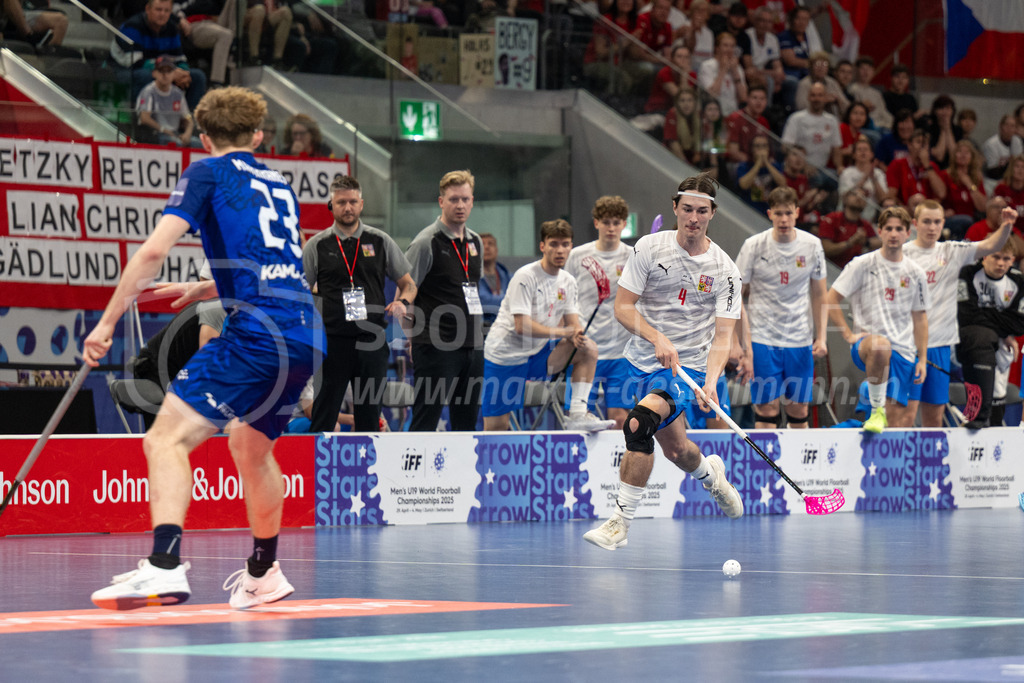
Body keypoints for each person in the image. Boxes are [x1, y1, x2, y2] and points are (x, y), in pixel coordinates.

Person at [83, 86, 322, 611]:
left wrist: (106, 324)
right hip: (306, 334)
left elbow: (151, 252)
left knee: (165, 438)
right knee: (251, 450)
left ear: (204, 136)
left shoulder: (206, 172)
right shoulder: (281, 185)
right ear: (258, 135)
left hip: (258, 335)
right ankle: (264, 572)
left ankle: (163, 567)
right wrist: (208, 287)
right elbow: (276, 262)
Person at [582, 173, 744, 551]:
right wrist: (656, 337)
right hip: (640, 360)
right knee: (677, 450)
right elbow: (623, 306)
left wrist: (712, 381)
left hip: (687, 368)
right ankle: (712, 476)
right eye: (686, 209)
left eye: (701, 211)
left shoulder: (725, 270)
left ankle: (619, 523)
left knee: (638, 425)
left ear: (712, 214)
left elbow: (723, 337)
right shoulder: (649, 249)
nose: (693, 217)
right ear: (675, 208)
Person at [303, 175, 417, 433]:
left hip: (372, 341)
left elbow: (409, 284)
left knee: (369, 417)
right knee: (324, 414)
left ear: (362, 204)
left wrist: (402, 302)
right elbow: (300, 290)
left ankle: (368, 472)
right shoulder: (317, 246)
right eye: (341, 202)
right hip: (332, 341)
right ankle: (317, 472)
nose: (348, 207)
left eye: (353, 201)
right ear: (331, 205)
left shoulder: (380, 241)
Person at [481, 220, 614, 432]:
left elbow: (573, 323)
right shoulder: (525, 277)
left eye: (565, 244)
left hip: (537, 356)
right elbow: (521, 326)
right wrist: (563, 332)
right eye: (553, 244)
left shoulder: (568, 281)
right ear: (542, 246)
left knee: (587, 348)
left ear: (571, 246)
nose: (560, 250)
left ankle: (577, 414)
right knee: (496, 428)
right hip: (506, 356)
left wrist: (577, 334)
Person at [902, 199, 1013, 427]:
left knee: (934, 416)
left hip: (940, 345)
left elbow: (990, 246)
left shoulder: (952, 250)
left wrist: (1007, 226)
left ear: (943, 223)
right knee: (905, 415)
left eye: (936, 222)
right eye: (926, 222)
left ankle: (929, 463)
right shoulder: (900, 254)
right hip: (906, 346)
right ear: (915, 223)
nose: (932, 227)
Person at [826, 206, 930, 432]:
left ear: (907, 232)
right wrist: (848, 334)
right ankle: (875, 408)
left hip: (904, 351)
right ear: (880, 231)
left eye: (899, 229)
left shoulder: (916, 273)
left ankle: (852, 428)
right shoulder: (862, 264)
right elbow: (830, 299)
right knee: (882, 346)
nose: (894, 233)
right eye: (889, 228)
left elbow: (920, 318)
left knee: (897, 426)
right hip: (868, 345)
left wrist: (922, 358)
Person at [735, 186, 827, 429]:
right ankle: (765, 467)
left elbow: (819, 292)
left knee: (799, 408)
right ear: (769, 214)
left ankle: (797, 468)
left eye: (788, 213)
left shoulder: (812, 245)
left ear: (797, 213)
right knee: (767, 408)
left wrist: (823, 336)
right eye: (778, 214)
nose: (783, 219)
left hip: (799, 338)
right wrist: (741, 344)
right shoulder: (753, 245)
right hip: (763, 337)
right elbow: (735, 295)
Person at [405, 170, 485, 432]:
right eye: (453, 200)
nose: (460, 205)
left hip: (472, 345)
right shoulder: (425, 242)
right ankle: (412, 474)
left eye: (465, 199)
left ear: (472, 201)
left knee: (467, 422)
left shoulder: (475, 242)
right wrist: (413, 339)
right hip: (435, 344)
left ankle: (462, 474)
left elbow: (471, 288)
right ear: (441, 202)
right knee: (426, 419)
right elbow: (405, 291)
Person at [564, 195, 635, 429]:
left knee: (620, 417)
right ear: (596, 223)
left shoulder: (633, 257)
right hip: (585, 348)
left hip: (621, 352)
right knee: (575, 417)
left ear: (624, 224)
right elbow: (564, 295)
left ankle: (616, 465)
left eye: (617, 222)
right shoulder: (577, 256)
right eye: (606, 222)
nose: (611, 228)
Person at [957, 237, 1024, 429]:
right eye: (996, 257)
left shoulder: (1018, 281)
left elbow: (1019, 324)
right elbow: (966, 314)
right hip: (967, 339)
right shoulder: (969, 273)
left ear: (1013, 260)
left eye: (1006, 259)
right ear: (984, 257)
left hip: (1003, 342)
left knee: (999, 390)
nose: (1001, 263)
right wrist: (1003, 323)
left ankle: (993, 430)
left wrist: (991, 322)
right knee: (981, 336)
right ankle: (976, 417)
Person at [111, 0, 208, 111]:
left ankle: (189, 121)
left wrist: (183, 73)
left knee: (197, 76)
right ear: (148, 9)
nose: (162, 14)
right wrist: (171, 73)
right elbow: (136, 62)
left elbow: (179, 59)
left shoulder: (171, 27)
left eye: (166, 11)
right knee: (145, 76)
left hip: (162, 69)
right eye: (158, 9)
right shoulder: (132, 26)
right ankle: (140, 120)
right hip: (124, 70)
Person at [781, 82, 844, 178]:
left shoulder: (832, 120)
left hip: (823, 170)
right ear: (808, 97)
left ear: (825, 98)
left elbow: (836, 149)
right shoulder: (796, 118)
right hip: (799, 169)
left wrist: (839, 167)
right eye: (813, 95)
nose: (816, 99)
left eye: (820, 95)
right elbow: (786, 146)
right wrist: (802, 164)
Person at [135, 55, 197, 147]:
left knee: (198, 144)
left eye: (169, 71)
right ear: (154, 73)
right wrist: (164, 130)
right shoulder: (148, 92)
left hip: (175, 134)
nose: (165, 75)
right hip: (155, 135)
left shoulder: (178, 94)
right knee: (176, 144)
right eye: (161, 71)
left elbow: (187, 118)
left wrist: (187, 134)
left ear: (174, 73)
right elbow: (144, 118)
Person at [174, 0, 235, 87]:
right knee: (226, 35)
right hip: (195, 23)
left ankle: (234, 45)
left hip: (215, 21)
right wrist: (180, 19)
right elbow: (172, 8)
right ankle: (216, 82)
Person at [818, 188, 880, 267]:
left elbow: (879, 244)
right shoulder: (832, 218)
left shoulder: (865, 225)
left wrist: (866, 242)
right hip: (829, 266)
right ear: (845, 199)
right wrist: (849, 243)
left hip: (852, 271)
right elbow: (826, 249)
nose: (859, 198)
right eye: (854, 194)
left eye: (863, 197)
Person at [885, 128, 947, 206]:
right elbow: (891, 195)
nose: (922, 146)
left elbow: (941, 194)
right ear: (909, 145)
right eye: (918, 142)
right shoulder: (897, 164)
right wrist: (905, 210)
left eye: (925, 143)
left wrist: (927, 166)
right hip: (905, 210)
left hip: (927, 212)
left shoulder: (932, 167)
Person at [942, 139, 987, 241]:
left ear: (972, 157)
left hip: (970, 222)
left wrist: (970, 185)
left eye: (967, 152)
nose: (963, 155)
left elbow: (983, 207)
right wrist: (943, 212)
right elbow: (936, 198)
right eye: (959, 152)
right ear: (954, 155)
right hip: (949, 221)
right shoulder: (945, 175)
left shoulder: (976, 178)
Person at [697, 30, 747, 117]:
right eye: (725, 45)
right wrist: (723, 70)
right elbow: (711, 95)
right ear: (717, 48)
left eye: (732, 46)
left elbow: (743, 98)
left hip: (733, 114)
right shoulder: (707, 66)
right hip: (712, 114)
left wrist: (735, 71)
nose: (729, 49)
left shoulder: (737, 68)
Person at [838, 137, 888, 224]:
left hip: (869, 220)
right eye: (859, 150)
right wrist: (865, 177)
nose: (863, 152)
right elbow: (845, 197)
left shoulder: (878, 174)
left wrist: (873, 178)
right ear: (853, 155)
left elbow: (883, 200)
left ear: (872, 154)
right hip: (845, 219)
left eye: (865, 149)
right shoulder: (847, 173)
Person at [735, 133, 785, 213]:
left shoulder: (775, 166)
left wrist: (766, 162)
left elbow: (783, 183)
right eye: (757, 146)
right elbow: (743, 185)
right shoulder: (744, 166)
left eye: (764, 146)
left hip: (770, 210)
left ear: (769, 149)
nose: (761, 149)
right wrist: (758, 163)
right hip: (748, 209)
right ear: (752, 149)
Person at [794, 51, 850, 118]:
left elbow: (847, 106)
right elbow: (801, 107)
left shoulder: (832, 82)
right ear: (811, 67)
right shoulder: (804, 84)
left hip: (831, 120)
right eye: (817, 64)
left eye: (824, 64)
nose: (821, 67)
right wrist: (823, 100)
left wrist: (837, 100)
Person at [725, 84, 769, 165]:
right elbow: (733, 152)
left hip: (757, 163)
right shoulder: (736, 118)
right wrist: (755, 162)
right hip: (737, 164)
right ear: (747, 99)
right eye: (755, 98)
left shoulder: (763, 121)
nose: (758, 102)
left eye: (762, 99)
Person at [849, 55, 892, 132]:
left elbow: (883, 112)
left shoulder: (876, 93)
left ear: (873, 72)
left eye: (869, 69)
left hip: (882, 125)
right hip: (867, 126)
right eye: (863, 69)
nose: (866, 72)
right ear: (857, 71)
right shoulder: (853, 89)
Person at [244, 0, 292, 68]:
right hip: (249, 12)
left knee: (286, 12)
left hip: (267, 15)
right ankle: (253, 57)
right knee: (259, 10)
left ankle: (277, 60)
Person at [478, 232, 510, 328]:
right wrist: (509, 301)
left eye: (490, 244)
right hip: (483, 327)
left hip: (506, 325)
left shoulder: (508, 276)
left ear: (496, 250)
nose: (487, 247)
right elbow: (481, 301)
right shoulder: (470, 277)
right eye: (482, 244)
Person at [982, 114, 1023, 181]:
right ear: (1001, 126)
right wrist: (1010, 163)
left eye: (1012, 126)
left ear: (1015, 129)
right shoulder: (991, 144)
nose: (1009, 128)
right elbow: (992, 172)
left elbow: (1019, 164)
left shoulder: (1017, 141)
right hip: (993, 180)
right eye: (1006, 125)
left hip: (1012, 179)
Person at [663, 88, 700, 163]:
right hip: (675, 160)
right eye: (682, 101)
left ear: (695, 103)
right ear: (677, 103)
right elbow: (673, 145)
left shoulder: (698, 116)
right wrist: (686, 165)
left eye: (690, 100)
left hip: (692, 159)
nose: (686, 104)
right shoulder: (672, 114)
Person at [995, 155, 1024, 236]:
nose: (1020, 170)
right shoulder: (1001, 189)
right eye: (1017, 166)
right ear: (1011, 169)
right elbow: (995, 213)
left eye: (1023, 167)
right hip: (1006, 231)